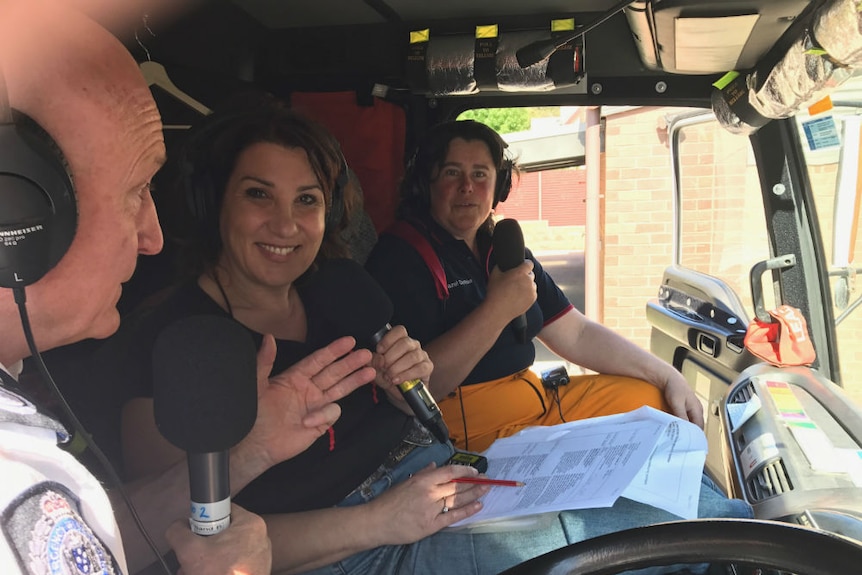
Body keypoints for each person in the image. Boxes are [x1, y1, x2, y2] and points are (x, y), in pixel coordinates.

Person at [86, 93, 752, 575]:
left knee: (670, 485)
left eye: (307, 200)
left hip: (429, 478)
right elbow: (179, 545)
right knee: (655, 537)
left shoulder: (340, 290)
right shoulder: (176, 344)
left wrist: (407, 389)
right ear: (216, 204)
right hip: (354, 543)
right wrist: (369, 512)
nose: (286, 224)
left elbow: (424, 397)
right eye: (259, 195)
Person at [0, 2, 374, 574]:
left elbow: (90, 531)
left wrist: (247, 453)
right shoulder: (12, 483)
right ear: (17, 216)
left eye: (308, 200)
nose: (153, 238)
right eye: (135, 191)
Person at [364, 119, 706, 452]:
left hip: (539, 403)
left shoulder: (503, 250)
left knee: (654, 402)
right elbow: (424, 387)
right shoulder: (399, 257)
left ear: (499, 187)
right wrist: (498, 310)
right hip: (473, 430)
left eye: (480, 174)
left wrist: (666, 375)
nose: (467, 186)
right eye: (452, 173)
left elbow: (576, 334)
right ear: (427, 184)